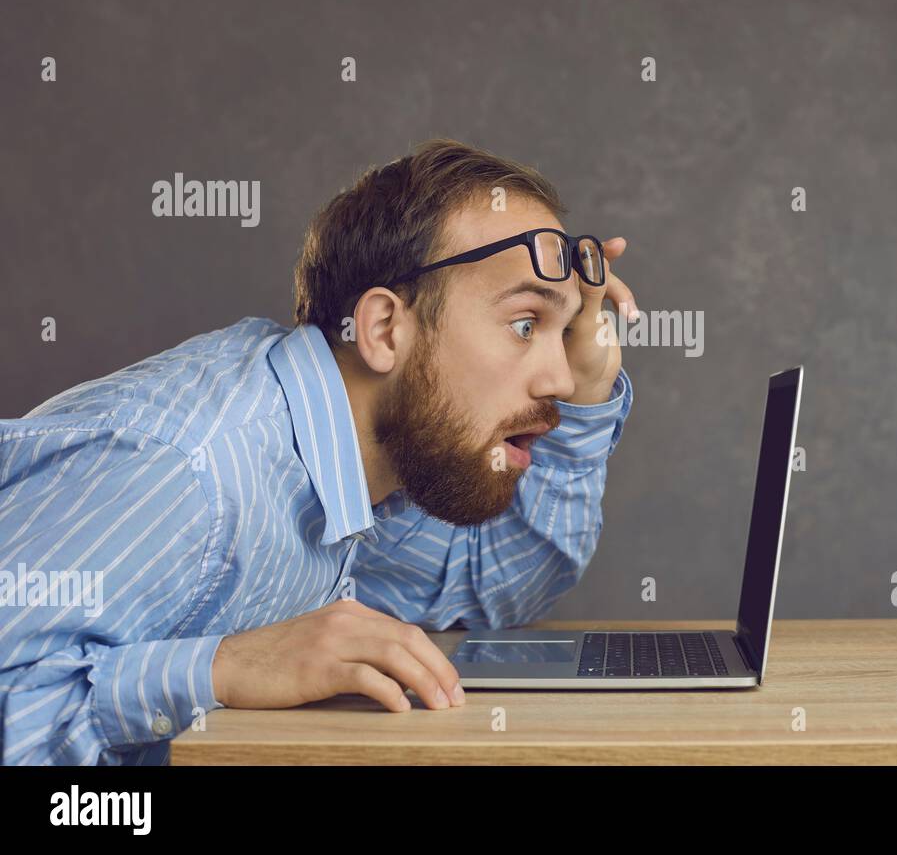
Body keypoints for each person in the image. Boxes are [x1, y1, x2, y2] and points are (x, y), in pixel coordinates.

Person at [0, 137, 638, 764]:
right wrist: (217, 669)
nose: (556, 378)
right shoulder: (184, 469)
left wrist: (586, 401)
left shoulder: (363, 465)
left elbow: (494, 586)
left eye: (563, 332)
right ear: (385, 329)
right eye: (526, 324)